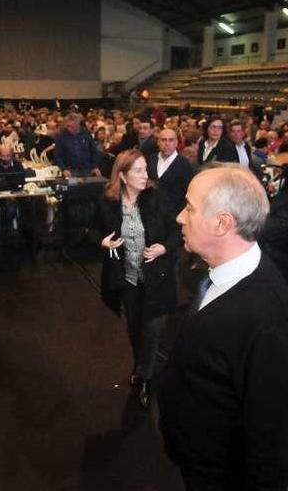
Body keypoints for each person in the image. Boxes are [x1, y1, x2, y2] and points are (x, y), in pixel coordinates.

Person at [158, 163, 288, 490]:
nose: (180, 217)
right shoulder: (214, 274)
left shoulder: (270, 322)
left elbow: (271, 438)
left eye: (190, 208)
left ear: (223, 223)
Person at [98, 149, 179, 409]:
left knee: (153, 329)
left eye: (146, 169)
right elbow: (92, 229)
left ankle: (145, 376)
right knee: (135, 328)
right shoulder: (109, 201)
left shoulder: (156, 197)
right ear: (122, 176)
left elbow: (177, 230)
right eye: (139, 171)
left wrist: (163, 248)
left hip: (156, 279)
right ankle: (141, 365)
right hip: (128, 280)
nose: (146, 175)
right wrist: (102, 241)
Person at [148, 128, 195, 221]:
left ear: (177, 142)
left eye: (171, 140)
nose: (167, 143)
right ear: (158, 142)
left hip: (173, 218)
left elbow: (188, 193)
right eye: (163, 140)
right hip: (151, 215)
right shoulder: (151, 159)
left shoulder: (185, 165)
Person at [53, 113, 102, 178]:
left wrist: (95, 167)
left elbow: (94, 151)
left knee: (88, 187)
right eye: (68, 126)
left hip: (86, 170)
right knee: (73, 186)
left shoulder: (86, 134)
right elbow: (57, 155)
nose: (69, 129)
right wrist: (63, 169)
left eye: (72, 127)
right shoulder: (62, 136)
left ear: (78, 125)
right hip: (70, 171)